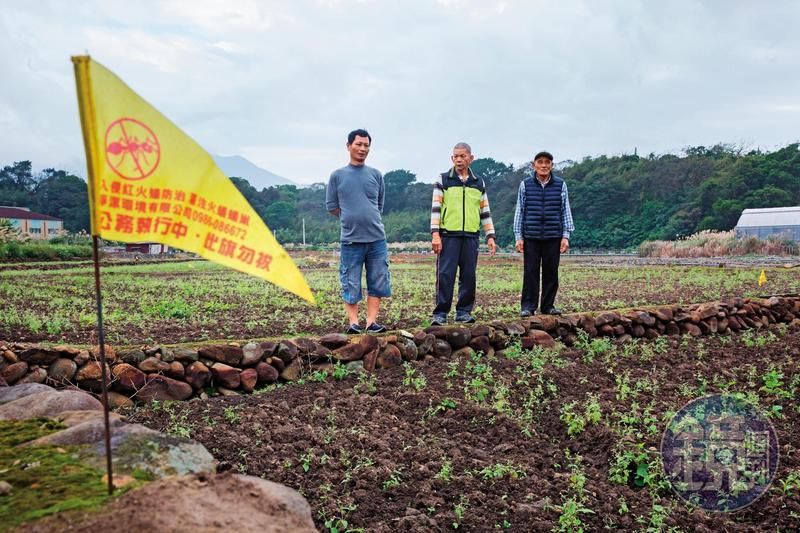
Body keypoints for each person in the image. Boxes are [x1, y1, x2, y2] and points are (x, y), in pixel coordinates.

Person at [326, 129, 391, 334]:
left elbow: (379, 205)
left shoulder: (376, 175)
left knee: (378, 280)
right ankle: (353, 323)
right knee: (351, 281)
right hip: (351, 239)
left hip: (376, 239)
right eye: (358, 144)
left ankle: (371, 323)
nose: (363, 149)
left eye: (366, 145)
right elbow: (332, 206)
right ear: (348, 146)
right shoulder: (337, 176)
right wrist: (349, 217)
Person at [430, 142, 497, 325]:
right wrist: (435, 234)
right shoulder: (443, 179)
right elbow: (436, 208)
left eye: (462, 156)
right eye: (455, 156)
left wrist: (490, 235)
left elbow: (485, 210)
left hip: (471, 236)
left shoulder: (478, 182)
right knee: (445, 274)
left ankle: (464, 312)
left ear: (471, 158)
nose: (459, 160)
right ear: (452, 158)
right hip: (448, 235)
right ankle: (440, 313)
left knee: (469, 275)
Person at [513, 150, 574, 316]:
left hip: (553, 235)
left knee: (551, 272)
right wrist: (519, 236)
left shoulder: (561, 185)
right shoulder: (525, 185)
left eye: (547, 162)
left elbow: (565, 210)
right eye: (540, 162)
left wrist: (566, 236)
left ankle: (548, 306)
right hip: (531, 235)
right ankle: (528, 307)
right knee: (530, 271)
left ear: (552, 166)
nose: (544, 165)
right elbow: (520, 210)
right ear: (534, 165)